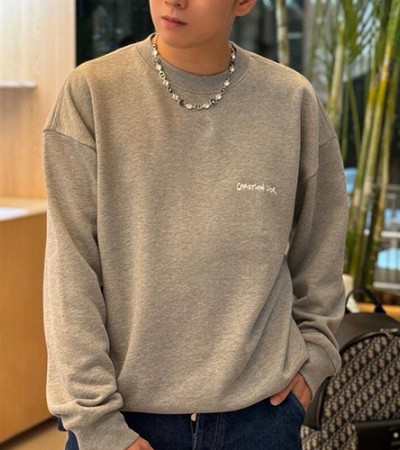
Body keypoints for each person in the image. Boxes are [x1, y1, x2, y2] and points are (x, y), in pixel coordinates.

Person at [42, 0, 348, 449]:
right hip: (124, 420)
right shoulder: (92, 92)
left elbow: (323, 241)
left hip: (260, 417)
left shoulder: (290, 100)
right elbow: (70, 269)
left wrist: (316, 353)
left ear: (244, 2)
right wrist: (96, 423)